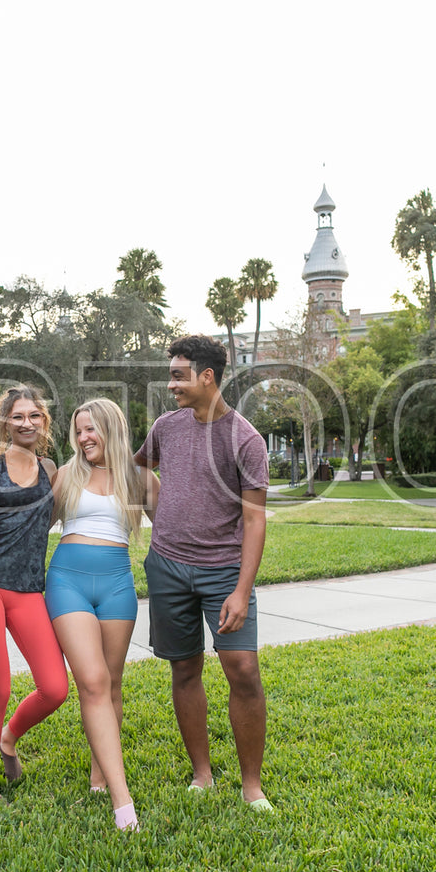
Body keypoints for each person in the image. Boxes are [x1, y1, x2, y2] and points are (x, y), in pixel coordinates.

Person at [134, 334, 273, 812]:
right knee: (185, 667)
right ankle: (203, 773)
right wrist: (160, 507)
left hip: (223, 572)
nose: (171, 384)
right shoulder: (165, 428)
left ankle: (251, 786)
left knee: (244, 670)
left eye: (178, 375)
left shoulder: (246, 439)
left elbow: (254, 519)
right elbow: (133, 467)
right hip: (168, 566)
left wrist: (241, 589)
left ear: (206, 377)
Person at [47, 397, 159, 831]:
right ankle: (122, 801)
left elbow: (172, 532)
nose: (83, 438)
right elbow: (33, 529)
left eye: (90, 429)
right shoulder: (66, 475)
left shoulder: (141, 480)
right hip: (67, 581)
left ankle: (100, 773)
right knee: (91, 681)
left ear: (111, 429)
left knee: (111, 686)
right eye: (78, 431)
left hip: (117, 586)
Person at [0, 385, 69, 800]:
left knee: (55, 688)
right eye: (18, 416)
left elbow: (53, 520)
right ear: (4, 421)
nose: (27, 423)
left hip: (29, 590)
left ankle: (8, 738)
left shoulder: (51, 469)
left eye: (34, 416)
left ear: (44, 421)